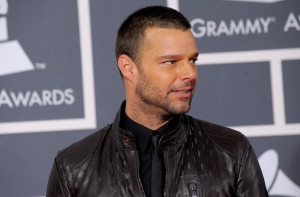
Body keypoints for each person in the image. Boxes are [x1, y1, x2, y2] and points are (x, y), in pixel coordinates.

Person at [46, 6, 268, 197]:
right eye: (171, 62)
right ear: (128, 68)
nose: (190, 73)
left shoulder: (232, 152)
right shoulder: (74, 166)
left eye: (192, 60)